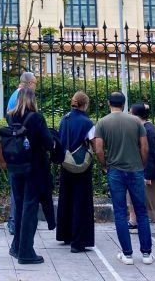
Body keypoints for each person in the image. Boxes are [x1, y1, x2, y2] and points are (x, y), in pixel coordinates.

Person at [93, 92, 154, 266]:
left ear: (108, 103)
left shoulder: (103, 122)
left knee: (120, 212)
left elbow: (98, 149)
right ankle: (147, 253)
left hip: (115, 171)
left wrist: (105, 165)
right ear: (124, 103)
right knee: (141, 211)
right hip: (135, 170)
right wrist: (141, 165)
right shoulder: (135, 121)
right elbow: (145, 147)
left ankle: (127, 254)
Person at [7, 88, 54, 265]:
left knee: (19, 206)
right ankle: (26, 251)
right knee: (30, 208)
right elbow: (49, 143)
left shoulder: (10, 117)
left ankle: (16, 246)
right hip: (34, 169)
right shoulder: (37, 118)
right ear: (32, 100)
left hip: (16, 167)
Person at [56, 91, 95, 253]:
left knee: (66, 199)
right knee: (81, 202)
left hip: (65, 162)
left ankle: (65, 234)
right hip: (81, 166)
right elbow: (94, 143)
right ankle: (79, 242)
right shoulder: (87, 123)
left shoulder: (64, 119)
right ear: (85, 104)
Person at [127, 102, 155, 238]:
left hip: (153, 173)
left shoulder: (148, 130)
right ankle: (133, 222)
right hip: (140, 170)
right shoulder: (141, 127)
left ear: (136, 115)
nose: (128, 115)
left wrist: (148, 175)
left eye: (130, 112)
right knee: (132, 197)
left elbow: (153, 154)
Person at [7, 71, 37, 234]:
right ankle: (14, 220)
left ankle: (15, 220)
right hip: (22, 149)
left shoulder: (14, 95)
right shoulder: (21, 96)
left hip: (14, 147)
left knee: (16, 185)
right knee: (19, 189)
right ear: (29, 83)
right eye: (35, 84)